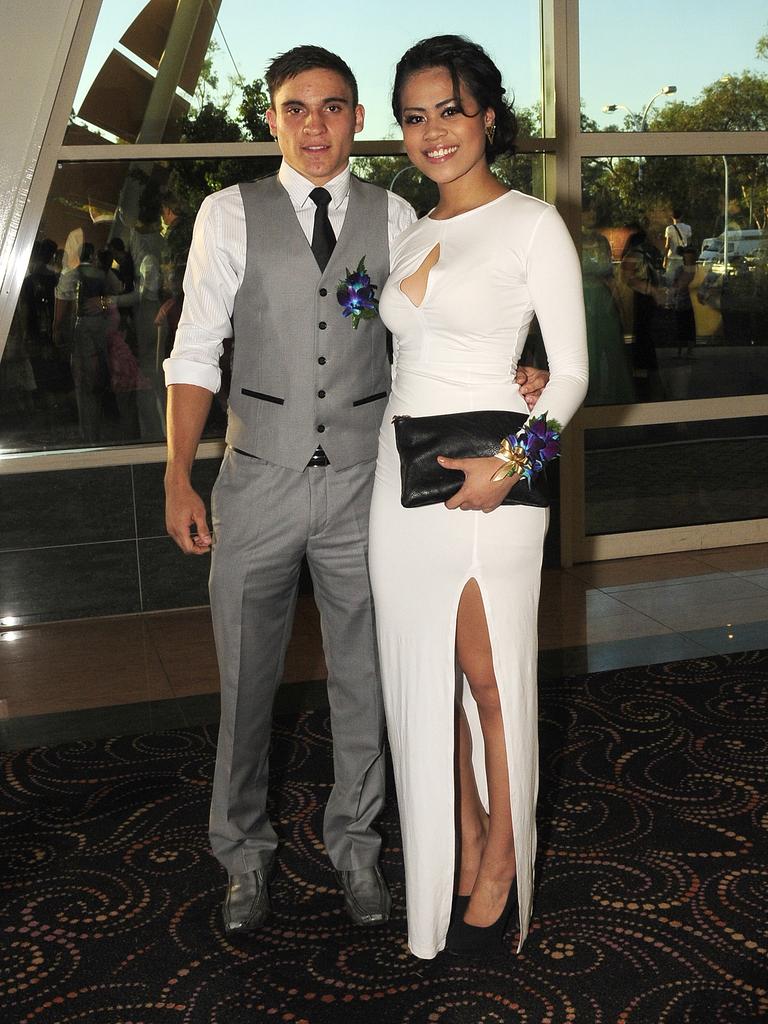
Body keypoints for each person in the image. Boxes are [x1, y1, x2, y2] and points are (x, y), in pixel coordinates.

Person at [163, 44, 547, 938]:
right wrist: (179, 473)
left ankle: (357, 850)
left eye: (334, 107)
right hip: (255, 481)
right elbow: (194, 351)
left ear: (356, 120)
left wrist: (519, 378)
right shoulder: (228, 215)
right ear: (271, 118)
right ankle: (243, 855)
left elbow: (432, 331)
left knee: (365, 681)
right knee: (245, 684)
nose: (315, 125)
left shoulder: (399, 213)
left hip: (368, 487)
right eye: (296, 107)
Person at [368, 35, 588, 960]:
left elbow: (573, 372)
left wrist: (511, 461)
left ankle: (503, 854)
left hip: (497, 481)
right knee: (424, 679)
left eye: (449, 111)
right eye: (414, 117)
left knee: (492, 680)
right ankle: (455, 844)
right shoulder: (414, 227)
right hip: (400, 475)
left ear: (488, 115)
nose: (433, 132)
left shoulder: (533, 223)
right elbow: (385, 331)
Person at [663, 209, 692, 278]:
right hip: (683, 258)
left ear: (672, 217)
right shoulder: (688, 228)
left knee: (670, 279)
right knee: (681, 279)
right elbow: (689, 244)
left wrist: (665, 260)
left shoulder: (669, 229)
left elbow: (667, 245)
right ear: (681, 216)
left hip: (672, 257)